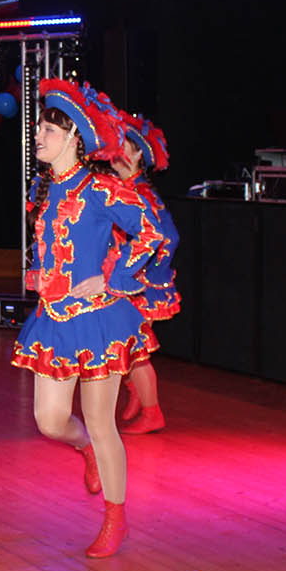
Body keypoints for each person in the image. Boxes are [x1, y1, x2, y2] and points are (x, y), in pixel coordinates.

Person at [18, 80, 165, 558]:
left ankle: (115, 519)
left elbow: (151, 232)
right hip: (54, 319)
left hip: (100, 319)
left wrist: (114, 278)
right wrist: (41, 274)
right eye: (39, 128)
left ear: (74, 137)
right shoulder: (45, 189)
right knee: (49, 420)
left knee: (102, 423)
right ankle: (83, 449)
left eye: (48, 129)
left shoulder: (101, 187)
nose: (38, 136)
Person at [108, 110, 179, 435]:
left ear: (138, 154)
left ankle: (152, 412)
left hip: (139, 286)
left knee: (135, 351)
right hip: (123, 282)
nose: (115, 149)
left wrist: (147, 275)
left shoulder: (141, 194)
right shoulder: (120, 189)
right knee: (122, 345)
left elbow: (168, 237)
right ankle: (137, 393)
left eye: (123, 144)